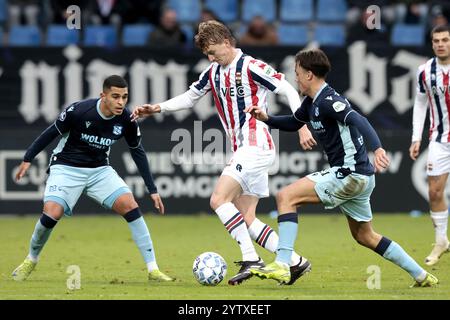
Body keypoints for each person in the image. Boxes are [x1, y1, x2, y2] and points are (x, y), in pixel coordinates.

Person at [132, 21, 316, 286]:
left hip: (256, 144)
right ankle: (297, 262)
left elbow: (287, 88)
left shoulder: (252, 66)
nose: (210, 57)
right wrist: (157, 108)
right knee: (247, 218)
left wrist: (301, 126)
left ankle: (251, 258)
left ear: (227, 43)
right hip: (244, 148)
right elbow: (190, 97)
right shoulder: (213, 72)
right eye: (206, 53)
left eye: (212, 51)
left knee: (218, 199)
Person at [247, 48, 438, 287]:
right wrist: (266, 118)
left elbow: (360, 120)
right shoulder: (311, 103)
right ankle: (421, 275)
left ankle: (283, 263)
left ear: (309, 75)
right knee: (365, 236)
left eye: (297, 73)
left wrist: (377, 148)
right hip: (360, 177)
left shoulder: (329, 100)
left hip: (350, 173)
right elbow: (295, 122)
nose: (295, 78)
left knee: (286, 196)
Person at [12, 75, 174, 283]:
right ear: (103, 95)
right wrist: (28, 158)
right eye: (115, 97)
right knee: (52, 213)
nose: (121, 102)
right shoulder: (80, 111)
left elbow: (137, 151)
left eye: (124, 97)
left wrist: (152, 189)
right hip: (66, 167)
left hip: (99, 170)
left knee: (130, 204)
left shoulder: (126, 119)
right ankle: (31, 259)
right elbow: (51, 132)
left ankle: (153, 269)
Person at [410, 24, 450, 266]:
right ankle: (441, 240)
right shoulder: (425, 71)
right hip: (439, 139)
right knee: (434, 191)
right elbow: (420, 103)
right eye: (436, 40)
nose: (441, 44)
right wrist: (416, 137)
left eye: (445, 39)